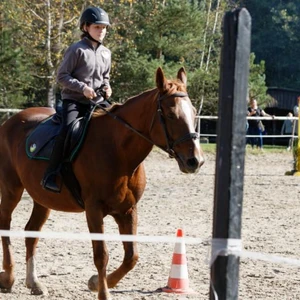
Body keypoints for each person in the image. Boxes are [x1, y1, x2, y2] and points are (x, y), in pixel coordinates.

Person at [41, 6, 112, 193]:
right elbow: (62, 76)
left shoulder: (106, 53)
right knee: (68, 129)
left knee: (116, 123)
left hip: (97, 101)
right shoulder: (76, 50)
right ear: (86, 27)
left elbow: (106, 76)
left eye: (104, 28)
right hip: (74, 100)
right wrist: (83, 88)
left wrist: (107, 86)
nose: (102, 31)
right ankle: (52, 173)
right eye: (97, 27)